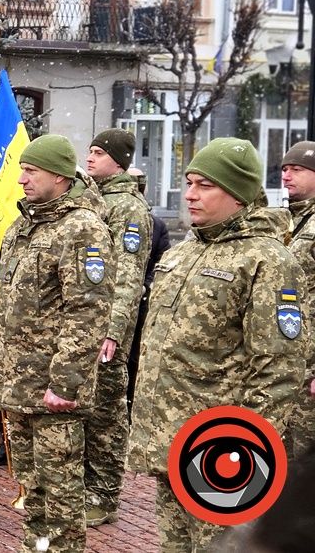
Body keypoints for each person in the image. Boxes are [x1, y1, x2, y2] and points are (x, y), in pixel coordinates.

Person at [129, 138, 307, 552]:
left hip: (219, 449)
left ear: (238, 194)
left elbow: (279, 368)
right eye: (189, 182)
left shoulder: (266, 259)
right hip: (168, 440)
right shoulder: (185, 250)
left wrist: (243, 446)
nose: (190, 194)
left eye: (205, 185)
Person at [0, 134, 114, 553]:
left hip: (53, 388)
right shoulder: (25, 224)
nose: (21, 179)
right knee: (31, 480)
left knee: (60, 486)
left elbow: (88, 310)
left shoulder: (82, 229)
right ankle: (35, 546)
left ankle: (61, 549)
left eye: (30, 170)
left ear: (59, 176)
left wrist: (65, 382)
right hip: (18, 382)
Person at [81, 129, 153, 528]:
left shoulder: (127, 207)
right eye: (89, 151)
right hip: (83, 325)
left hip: (106, 331)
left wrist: (113, 331)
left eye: (98, 152)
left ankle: (105, 494)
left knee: (106, 414)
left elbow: (128, 275)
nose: (90, 158)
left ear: (119, 161)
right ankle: (86, 487)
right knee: (86, 412)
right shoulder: (93, 199)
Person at [124, 167, 171, 406]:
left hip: (141, 303)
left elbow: (163, 263)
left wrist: (145, 286)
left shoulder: (157, 225)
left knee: (135, 358)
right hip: (117, 300)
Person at [281, 141, 315, 456]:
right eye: (285, 169)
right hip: (286, 362)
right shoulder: (286, 222)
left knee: (305, 457)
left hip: (310, 368)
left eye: (297, 169)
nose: (287, 176)